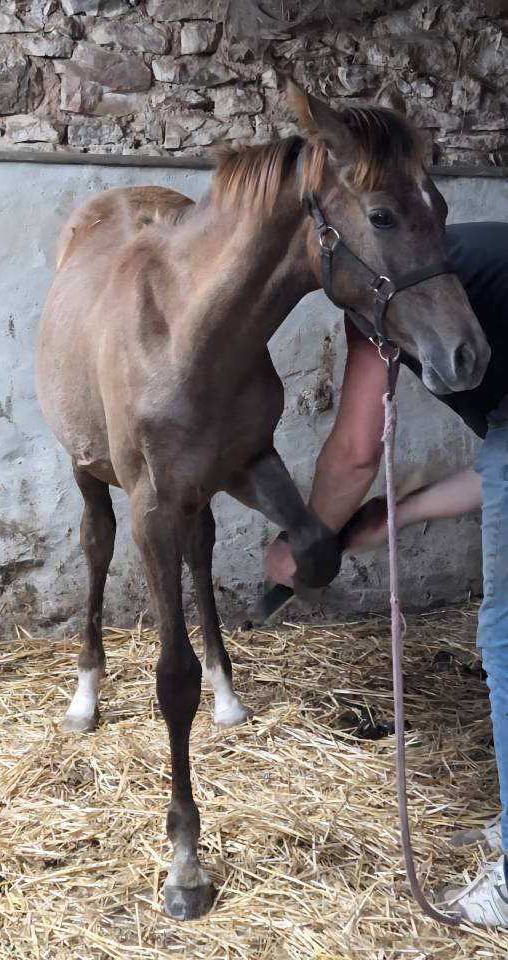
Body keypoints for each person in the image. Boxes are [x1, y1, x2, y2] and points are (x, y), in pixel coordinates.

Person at [264, 220, 508, 928]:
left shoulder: (381, 289)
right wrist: (402, 516)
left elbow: (353, 453)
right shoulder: (463, 255)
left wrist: (304, 547)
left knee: (504, 641)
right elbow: (499, 470)